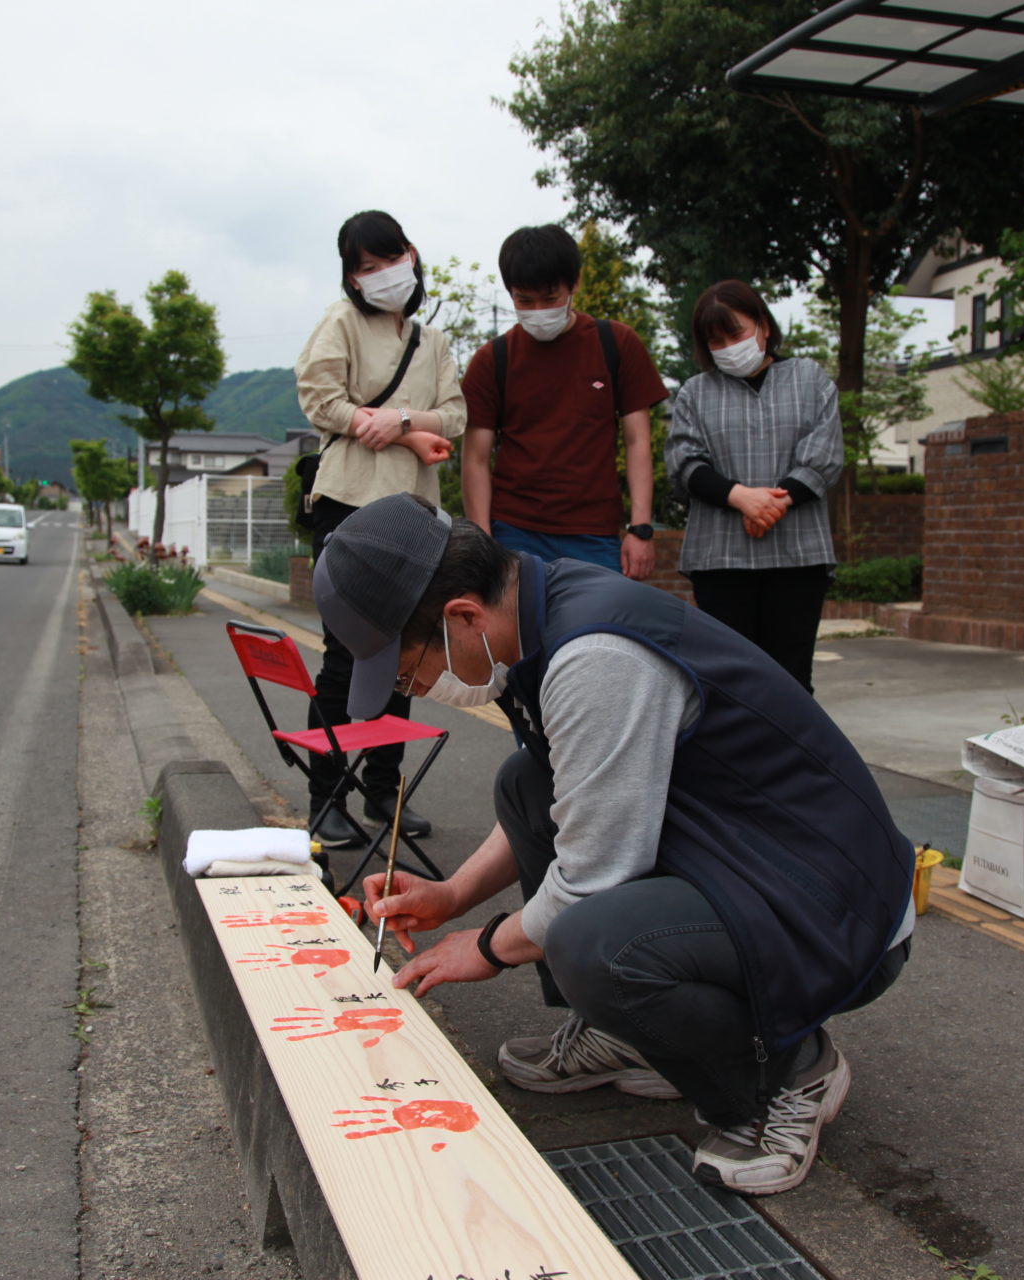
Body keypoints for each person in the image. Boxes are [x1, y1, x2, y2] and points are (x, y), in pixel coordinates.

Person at [312, 493, 915, 1196]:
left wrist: (482, 945)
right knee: (524, 783)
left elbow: (593, 878)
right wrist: (452, 896)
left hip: (829, 906)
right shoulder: (535, 612)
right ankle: (630, 1034)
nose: (413, 688)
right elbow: (574, 802)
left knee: (593, 947)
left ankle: (786, 1071)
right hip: (742, 859)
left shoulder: (595, 656)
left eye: (408, 669)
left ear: (463, 616)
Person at [294, 210, 465, 849]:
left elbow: (455, 414)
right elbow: (317, 397)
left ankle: (385, 797)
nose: (376, 276)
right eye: (362, 268)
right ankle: (327, 797)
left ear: (410, 255)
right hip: (349, 504)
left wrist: (397, 421)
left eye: (384, 261)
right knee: (346, 655)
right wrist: (377, 422)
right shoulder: (342, 323)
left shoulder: (434, 343)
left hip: (416, 517)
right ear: (351, 278)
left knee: (406, 656)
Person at [460, 224, 668, 580]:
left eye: (550, 297)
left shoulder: (616, 344)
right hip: (514, 532)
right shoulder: (492, 359)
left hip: (595, 534)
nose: (538, 310)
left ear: (575, 283)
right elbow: (475, 458)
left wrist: (641, 527)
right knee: (520, 635)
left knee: (596, 632)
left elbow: (637, 441)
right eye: (524, 301)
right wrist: (483, 541)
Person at [664, 280, 844, 692]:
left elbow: (825, 452)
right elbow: (684, 461)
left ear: (763, 325)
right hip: (721, 558)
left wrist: (773, 503)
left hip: (799, 556)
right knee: (729, 678)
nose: (729, 345)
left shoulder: (809, 378)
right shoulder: (695, 393)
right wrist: (741, 497)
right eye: (717, 340)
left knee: (793, 678)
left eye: (737, 333)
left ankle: (794, 757)